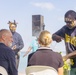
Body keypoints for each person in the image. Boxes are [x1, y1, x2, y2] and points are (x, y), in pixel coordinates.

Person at [52, 10, 76, 75]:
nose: (67, 24)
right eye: (66, 22)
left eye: (70, 22)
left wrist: (66, 56)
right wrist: (56, 37)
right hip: (71, 62)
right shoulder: (65, 28)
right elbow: (52, 36)